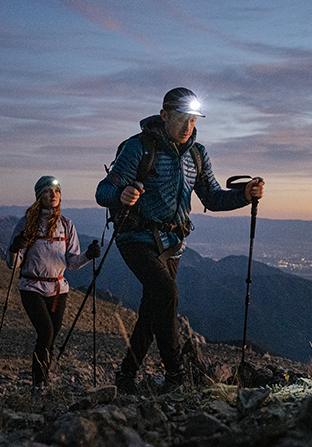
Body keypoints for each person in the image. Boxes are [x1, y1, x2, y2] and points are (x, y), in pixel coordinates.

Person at [95, 87, 264, 393]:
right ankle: (175, 374)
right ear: (164, 115)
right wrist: (121, 195)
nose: (189, 127)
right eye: (183, 119)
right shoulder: (139, 148)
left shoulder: (197, 155)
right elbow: (102, 192)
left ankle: (126, 377)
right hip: (135, 236)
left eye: (194, 121)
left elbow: (211, 197)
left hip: (172, 243)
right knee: (165, 291)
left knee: (152, 308)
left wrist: (244, 195)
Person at [8, 175, 100, 392]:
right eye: (48, 191)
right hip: (31, 287)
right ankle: (39, 385)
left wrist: (88, 254)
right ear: (39, 195)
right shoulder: (26, 224)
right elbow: (13, 264)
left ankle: (43, 382)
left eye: (57, 191)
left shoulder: (67, 225)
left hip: (58, 289)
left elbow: (72, 263)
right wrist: (14, 248)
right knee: (47, 332)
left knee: (50, 338)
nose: (53, 195)